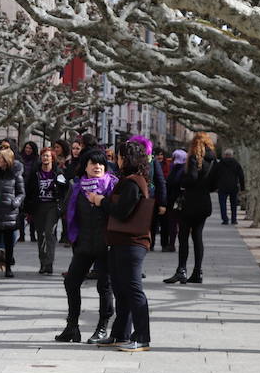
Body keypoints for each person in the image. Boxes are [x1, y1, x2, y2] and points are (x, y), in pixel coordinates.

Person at [88, 141, 153, 352]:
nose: (116, 160)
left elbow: (122, 211)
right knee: (121, 289)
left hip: (132, 243)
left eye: (119, 156)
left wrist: (100, 201)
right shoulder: (128, 181)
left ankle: (142, 336)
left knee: (133, 289)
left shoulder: (133, 182)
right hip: (120, 242)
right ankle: (120, 334)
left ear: (126, 159)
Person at [56, 149, 117, 343]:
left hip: (106, 245)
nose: (97, 166)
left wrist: (102, 202)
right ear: (85, 166)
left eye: (100, 163)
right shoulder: (77, 187)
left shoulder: (112, 186)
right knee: (71, 282)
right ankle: (72, 326)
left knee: (104, 286)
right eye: (93, 163)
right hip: (84, 243)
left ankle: (102, 327)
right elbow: (69, 213)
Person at [164, 132, 216, 284]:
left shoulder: (194, 158)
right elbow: (214, 185)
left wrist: (182, 182)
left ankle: (181, 270)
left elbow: (191, 177)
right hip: (204, 202)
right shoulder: (213, 161)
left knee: (184, 236)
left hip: (190, 202)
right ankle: (197, 272)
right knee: (198, 237)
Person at [25, 147, 66, 275]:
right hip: (38, 206)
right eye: (43, 156)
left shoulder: (58, 173)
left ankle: (49, 264)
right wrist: (28, 208)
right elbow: (29, 191)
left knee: (49, 232)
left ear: (52, 158)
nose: (45, 158)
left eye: (48, 156)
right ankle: (43, 263)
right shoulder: (35, 173)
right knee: (41, 234)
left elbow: (64, 190)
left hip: (52, 206)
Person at [0, 148, 24, 279]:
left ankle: (8, 268)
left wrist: (15, 202)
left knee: (9, 243)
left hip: (10, 212)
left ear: (6, 160)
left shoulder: (15, 174)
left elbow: (21, 192)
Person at [212, 148, 245, 225]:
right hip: (233, 186)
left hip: (222, 186)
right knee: (234, 204)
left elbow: (214, 175)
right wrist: (242, 187)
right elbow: (241, 176)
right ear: (232, 155)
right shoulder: (236, 163)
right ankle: (234, 219)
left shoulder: (220, 164)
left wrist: (214, 186)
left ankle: (225, 219)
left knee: (222, 204)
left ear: (225, 155)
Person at [163, 149, 187, 253]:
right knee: (178, 224)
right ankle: (176, 244)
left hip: (175, 200)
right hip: (179, 200)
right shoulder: (184, 169)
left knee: (173, 223)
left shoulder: (177, 169)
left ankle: (172, 244)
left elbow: (172, 184)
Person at [19, 141, 39, 242]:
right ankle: (21, 235)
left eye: (30, 148)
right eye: (26, 148)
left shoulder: (36, 160)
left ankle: (32, 235)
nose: (28, 150)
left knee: (32, 214)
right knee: (20, 214)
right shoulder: (20, 159)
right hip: (21, 187)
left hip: (32, 189)